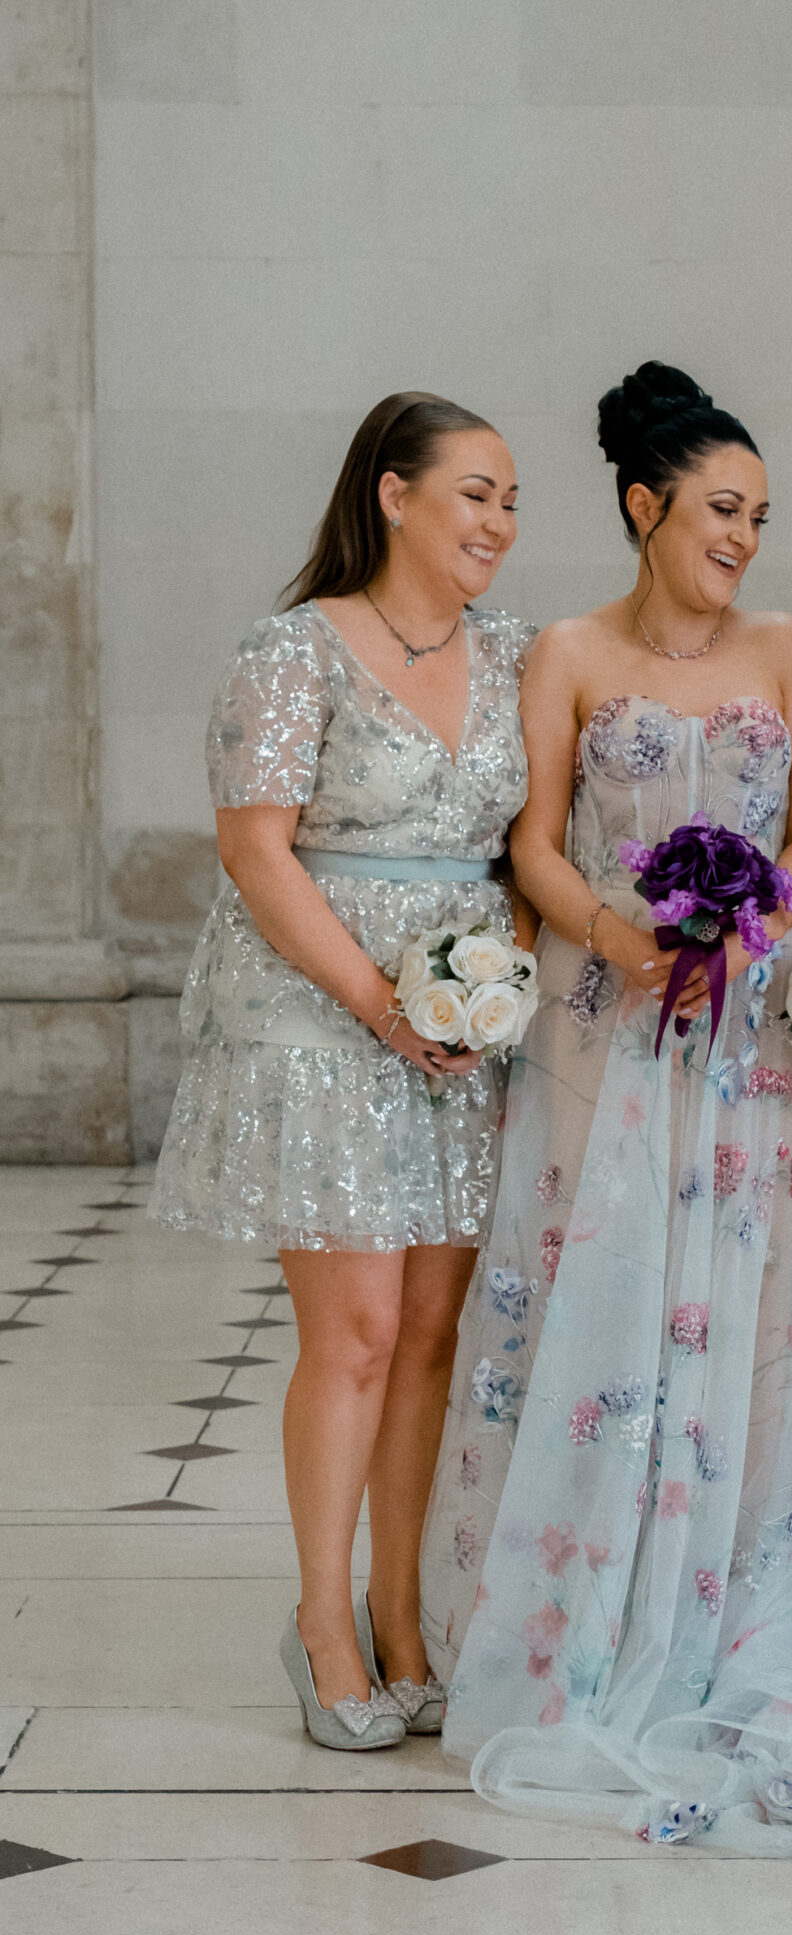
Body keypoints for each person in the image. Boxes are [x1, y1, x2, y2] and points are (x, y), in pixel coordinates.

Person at [419, 364, 792, 1858]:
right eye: (723, 510)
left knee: (752, 1305)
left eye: (760, 515)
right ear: (644, 504)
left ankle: (749, 1587)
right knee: (598, 1294)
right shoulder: (563, 651)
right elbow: (534, 841)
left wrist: (765, 912)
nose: (746, 536)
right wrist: (618, 933)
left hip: (751, 1029)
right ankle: (589, 1595)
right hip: (606, 1022)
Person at [150, 392, 535, 1750]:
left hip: (469, 1021)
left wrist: (501, 982)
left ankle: (403, 1608)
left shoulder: (517, 656)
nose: (496, 520)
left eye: (509, 500)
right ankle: (321, 1621)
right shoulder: (292, 650)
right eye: (474, 491)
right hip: (323, 1009)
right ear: (394, 493)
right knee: (357, 1333)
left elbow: (532, 845)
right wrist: (380, 1001)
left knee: (433, 1336)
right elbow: (255, 850)